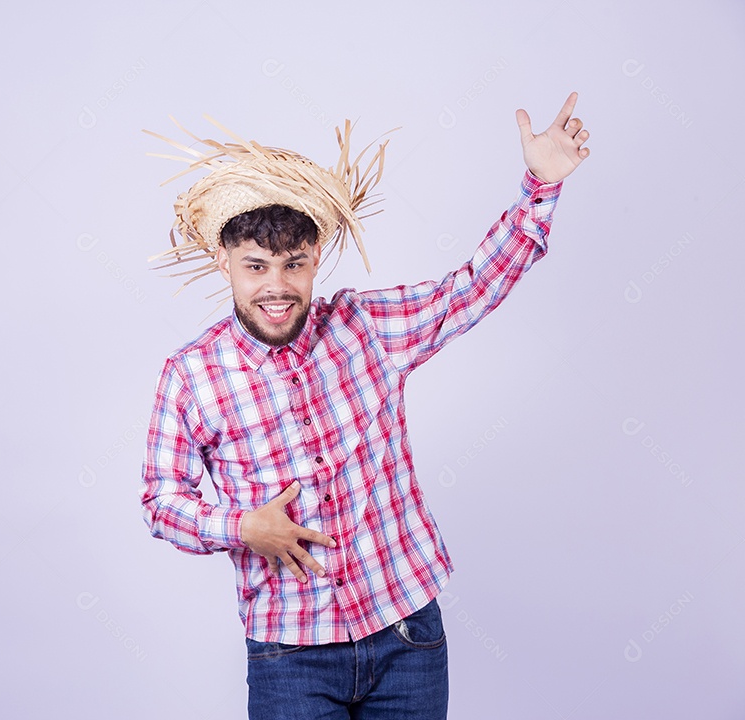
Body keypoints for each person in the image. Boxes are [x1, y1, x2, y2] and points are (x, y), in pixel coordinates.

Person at [140, 94, 591, 720]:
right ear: (224, 262)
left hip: (407, 635)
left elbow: (471, 288)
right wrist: (243, 527)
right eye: (256, 266)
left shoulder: (365, 327)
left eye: (294, 264)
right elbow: (162, 502)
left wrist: (539, 186)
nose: (277, 286)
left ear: (315, 258)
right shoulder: (191, 375)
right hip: (289, 654)